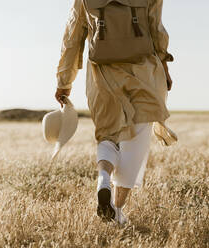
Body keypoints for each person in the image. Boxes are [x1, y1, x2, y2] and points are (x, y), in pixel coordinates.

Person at [54, 0, 175, 224]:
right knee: (136, 142)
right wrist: (165, 67)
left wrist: (64, 81)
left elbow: (72, 37)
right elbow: (156, 29)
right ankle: (117, 210)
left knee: (107, 136)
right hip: (144, 73)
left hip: (102, 75)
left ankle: (103, 179)